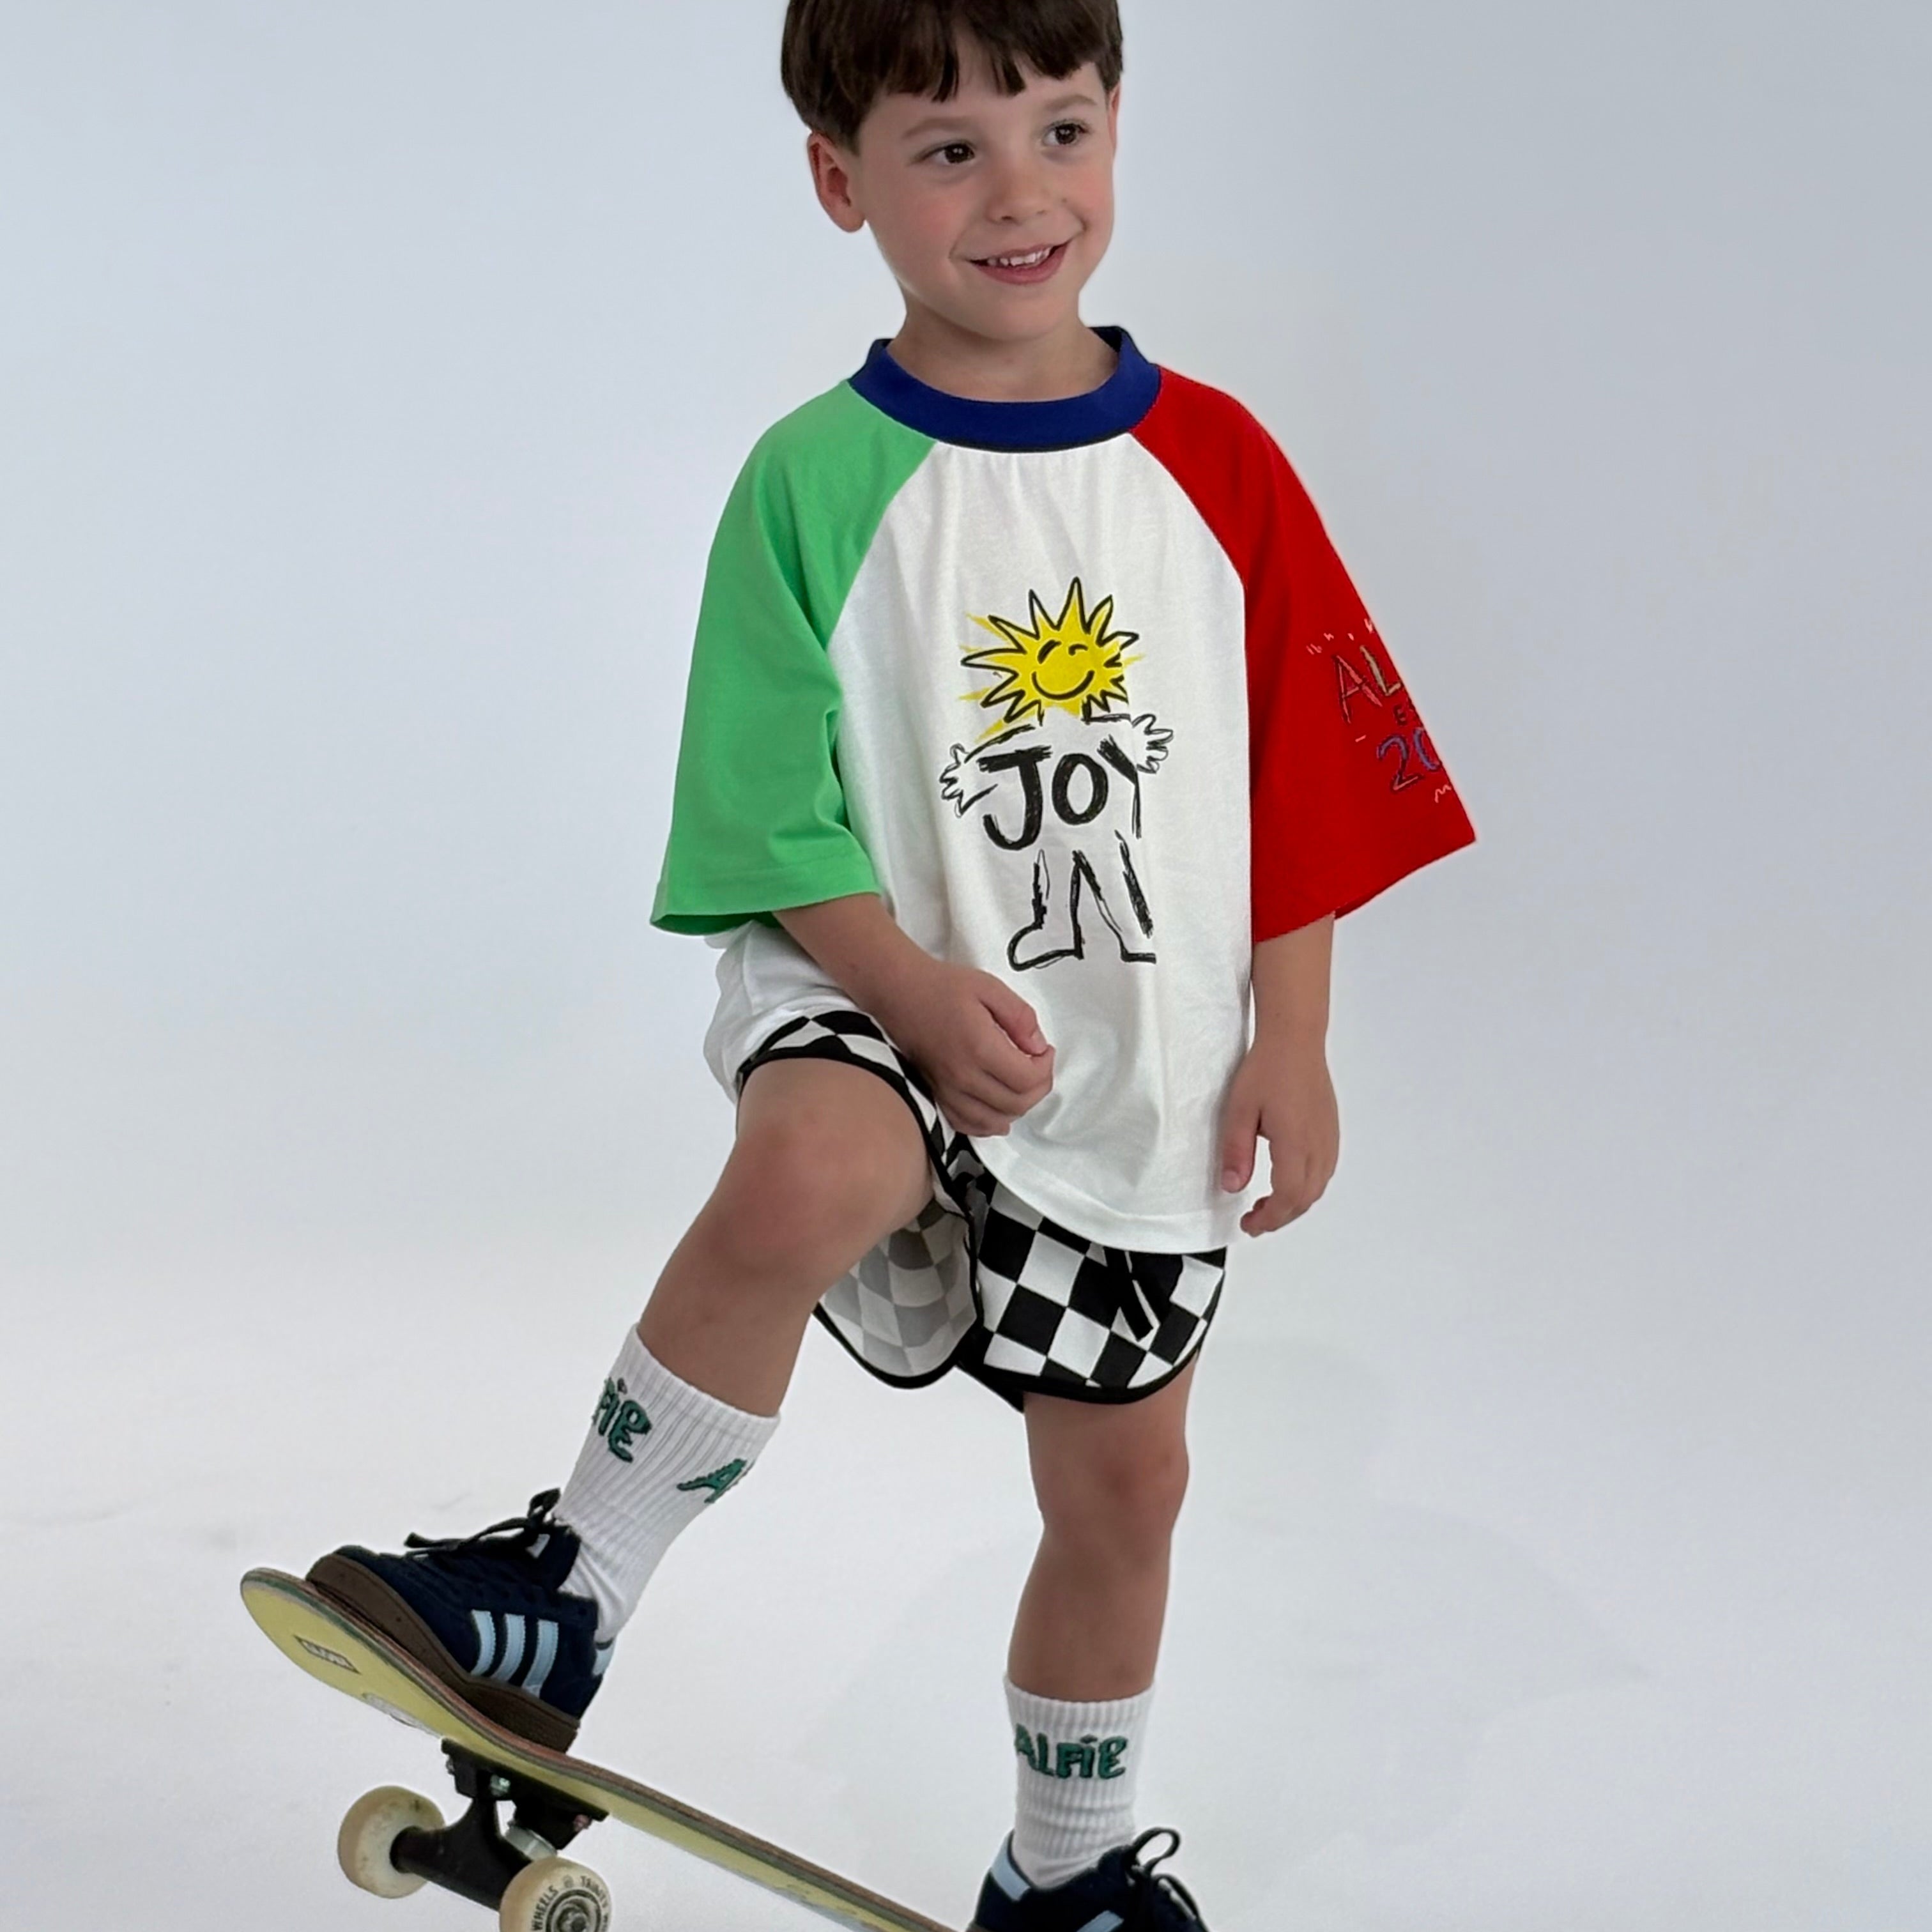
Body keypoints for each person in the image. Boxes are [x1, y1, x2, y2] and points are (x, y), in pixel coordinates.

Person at [306, 3, 1476, 1925]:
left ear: (1118, 128)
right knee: (816, 1167)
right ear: (839, 180)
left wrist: (1300, 1036)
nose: (1020, 193)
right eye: (949, 150)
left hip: (1133, 1055)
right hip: (871, 980)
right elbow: (763, 813)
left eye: (1063, 129)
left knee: (1127, 1491)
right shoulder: (811, 478)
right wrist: (912, 993)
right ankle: (562, 1594)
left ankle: (1068, 1874)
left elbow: (1308, 774)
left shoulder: (1221, 465)